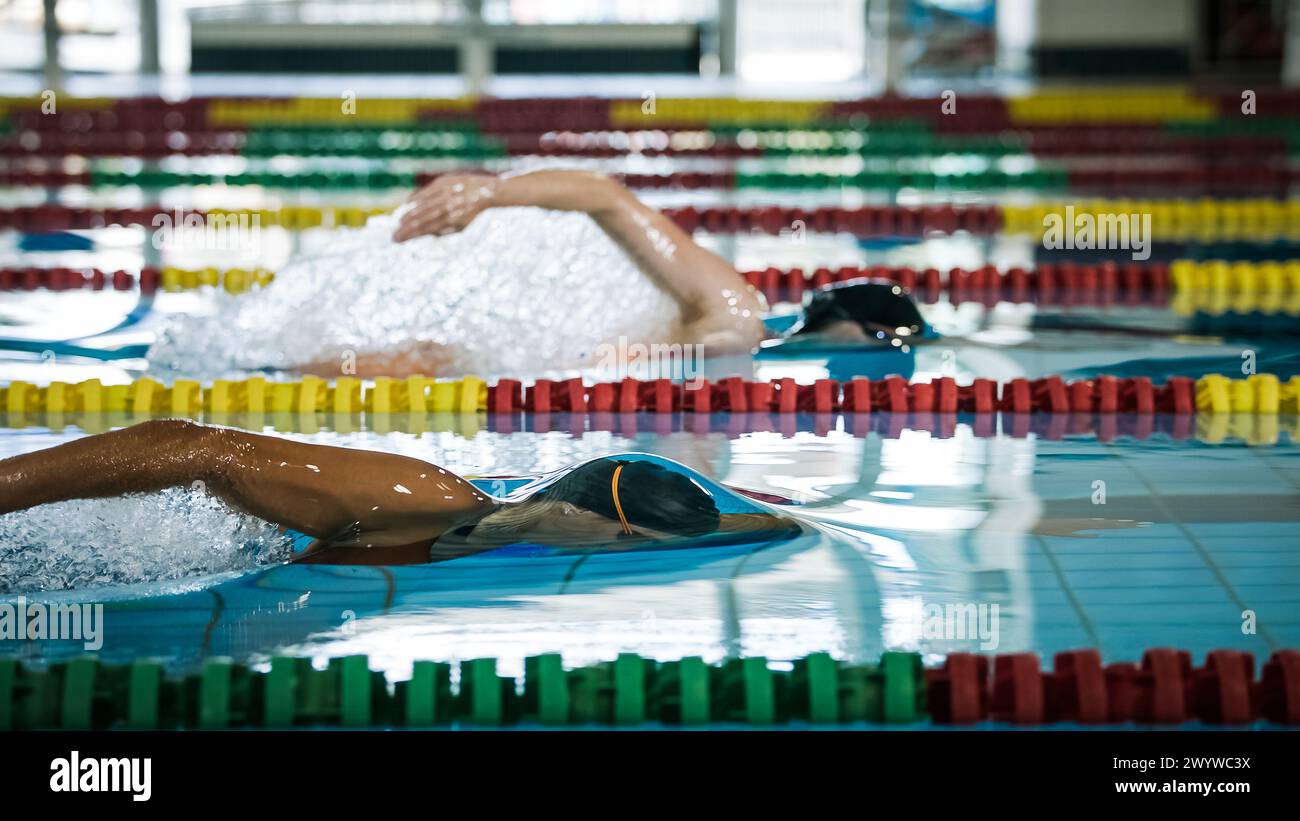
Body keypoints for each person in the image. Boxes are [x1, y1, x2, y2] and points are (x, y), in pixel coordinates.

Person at [144, 169, 930, 380]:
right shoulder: (733, 309)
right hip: (524, 360)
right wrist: (491, 194)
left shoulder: (747, 348)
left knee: (420, 362)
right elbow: (607, 199)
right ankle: (243, 362)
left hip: (533, 363)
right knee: (414, 363)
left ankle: (244, 362)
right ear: (857, 331)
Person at [0, 420, 798, 566]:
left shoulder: (499, 531)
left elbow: (752, 523)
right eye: (626, 543)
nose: (622, 557)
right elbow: (187, 446)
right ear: (568, 512)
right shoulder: (421, 494)